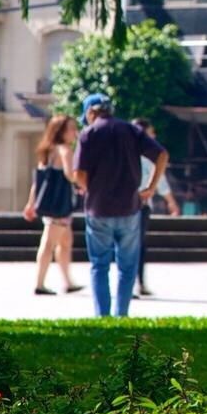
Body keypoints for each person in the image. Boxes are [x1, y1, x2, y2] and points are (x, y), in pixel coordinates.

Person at [69, 94, 167, 317]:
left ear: (91, 113)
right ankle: (121, 314)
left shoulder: (88, 134)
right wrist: (150, 188)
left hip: (98, 209)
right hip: (129, 207)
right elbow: (161, 154)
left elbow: (78, 174)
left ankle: (102, 316)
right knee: (127, 266)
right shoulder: (131, 130)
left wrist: (90, 187)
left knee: (99, 265)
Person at [25, 114, 85, 295]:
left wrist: (31, 204)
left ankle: (68, 282)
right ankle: (40, 284)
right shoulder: (65, 150)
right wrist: (84, 184)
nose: (75, 133)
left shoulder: (47, 150)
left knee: (65, 241)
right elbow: (69, 174)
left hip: (50, 204)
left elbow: (38, 182)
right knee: (49, 243)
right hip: (60, 205)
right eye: (71, 129)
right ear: (61, 131)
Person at [129, 119, 177, 298]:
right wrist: (171, 202)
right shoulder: (148, 156)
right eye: (151, 133)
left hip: (130, 204)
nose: (154, 136)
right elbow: (161, 182)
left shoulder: (129, 153)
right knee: (136, 246)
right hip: (139, 205)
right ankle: (135, 284)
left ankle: (134, 283)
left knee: (133, 246)